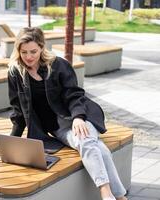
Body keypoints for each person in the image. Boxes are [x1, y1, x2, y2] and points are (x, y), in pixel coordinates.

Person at [7, 27, 128, 200]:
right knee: (96, 147)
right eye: (24, 52)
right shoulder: (15, 73)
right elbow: (18, 110)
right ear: (18, 50)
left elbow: (74, 94)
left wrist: (78, 117)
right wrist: (14, 141)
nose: (29, 57)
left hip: (79, 115)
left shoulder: (57, 64)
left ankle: (105, 191)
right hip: (57, 127)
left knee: (85, 139)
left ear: (42, 47)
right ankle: (120, 196)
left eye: (33, 51)